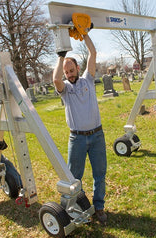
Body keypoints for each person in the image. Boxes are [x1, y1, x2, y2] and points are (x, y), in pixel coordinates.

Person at [53, 34, 108, 225]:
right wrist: (61, 57)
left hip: (97, 136)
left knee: (100, 174)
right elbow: (55, 80)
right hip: (77, 139)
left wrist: (84, 34)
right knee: (74, 177)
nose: (69, 74)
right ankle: (73, 207)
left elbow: (93, 52)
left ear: (78, 68)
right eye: (66, 72)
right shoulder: (65, 90)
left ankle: (98, 207)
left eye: (71, 70)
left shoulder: (88, 80)